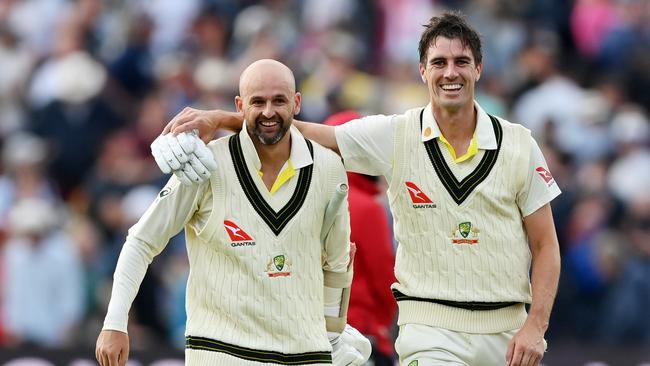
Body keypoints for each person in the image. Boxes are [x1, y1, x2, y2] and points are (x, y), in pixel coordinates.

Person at [155, 11, 561, 366]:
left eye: (461, 62)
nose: (450, 72)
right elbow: (302, 130)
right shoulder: (396, 134)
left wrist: (535, 327)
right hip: (430, 327)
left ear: (479, 69)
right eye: (439, 62)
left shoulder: (519, 144)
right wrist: (222, 119)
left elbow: (545, 245)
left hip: (507, 334)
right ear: (423, 71)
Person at [96, 59, 371, 366]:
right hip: (222, 352)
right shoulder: (205, 164)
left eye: (279, 100)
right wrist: (115, 322)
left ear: (296, 103)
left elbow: (336, 263)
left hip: (304, 354)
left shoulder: (329, 168)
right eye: (258, 102)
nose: (269, 112)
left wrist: (332, 334)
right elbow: (141, 241)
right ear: (240, 105)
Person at [323, 111, 397, 366]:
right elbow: (385, 280)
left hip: (317, 334)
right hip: (363, 336)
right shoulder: (366, 206)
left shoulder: (310, 198)